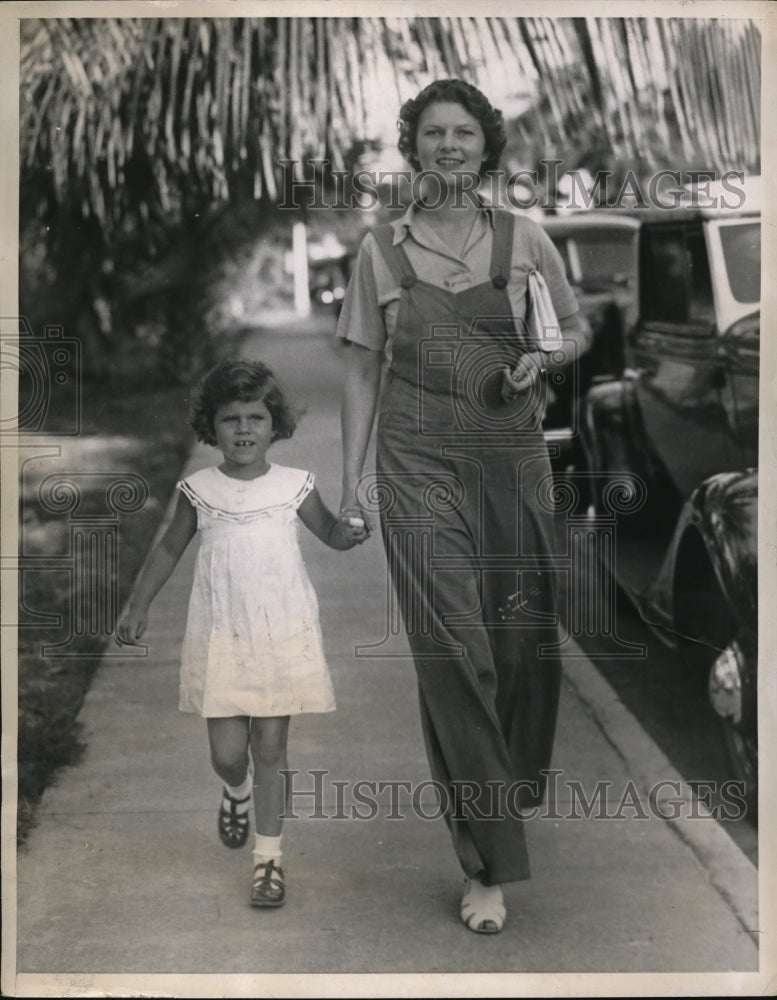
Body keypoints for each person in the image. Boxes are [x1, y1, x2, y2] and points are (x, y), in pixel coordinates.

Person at [337, 79, 589, 934]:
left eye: (464, 134)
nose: (449, 146)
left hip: (509, 457)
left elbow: (574, 326)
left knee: (518, 646)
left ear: (486, 148)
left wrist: (542, 359)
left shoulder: (526, 238)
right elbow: (360, 368)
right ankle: (486, 861)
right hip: (413, 464)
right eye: (433, 133)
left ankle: (503, 794)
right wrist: (350, 482)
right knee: (453, 651)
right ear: (414, 147)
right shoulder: (380, 250)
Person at [116, 357, 368, 908]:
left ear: (275, 423)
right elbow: (166, 549)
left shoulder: (295, 485)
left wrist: (351, 530)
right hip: (222, 635)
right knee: (231, 753)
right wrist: (138, 604)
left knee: (271, 748)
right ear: (212, 426)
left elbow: (329, 531)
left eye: (256, 417)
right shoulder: (198, 489)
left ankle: (269, 861)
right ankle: (236, 790)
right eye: (232, 419)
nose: (246, 430)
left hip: (280, 632)